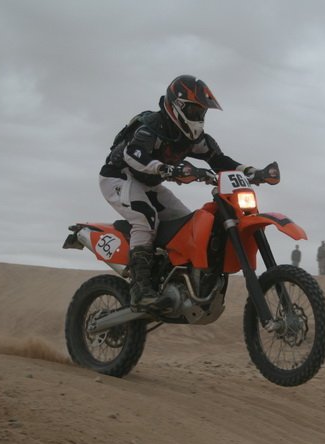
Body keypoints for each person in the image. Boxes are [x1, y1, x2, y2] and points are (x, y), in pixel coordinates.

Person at [99, 75, 256, 308]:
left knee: (185, 225)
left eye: (201, 113)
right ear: (177, 106)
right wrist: (165, 168)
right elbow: (132, 154)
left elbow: (219, 160)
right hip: (119, 177)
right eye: (194, 111)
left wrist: (251, 171)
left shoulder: (193, 139)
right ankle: (140, 290)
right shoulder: (152, 126)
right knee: (145, 218)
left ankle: (170, 279)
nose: (198, 118)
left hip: (149, 184)